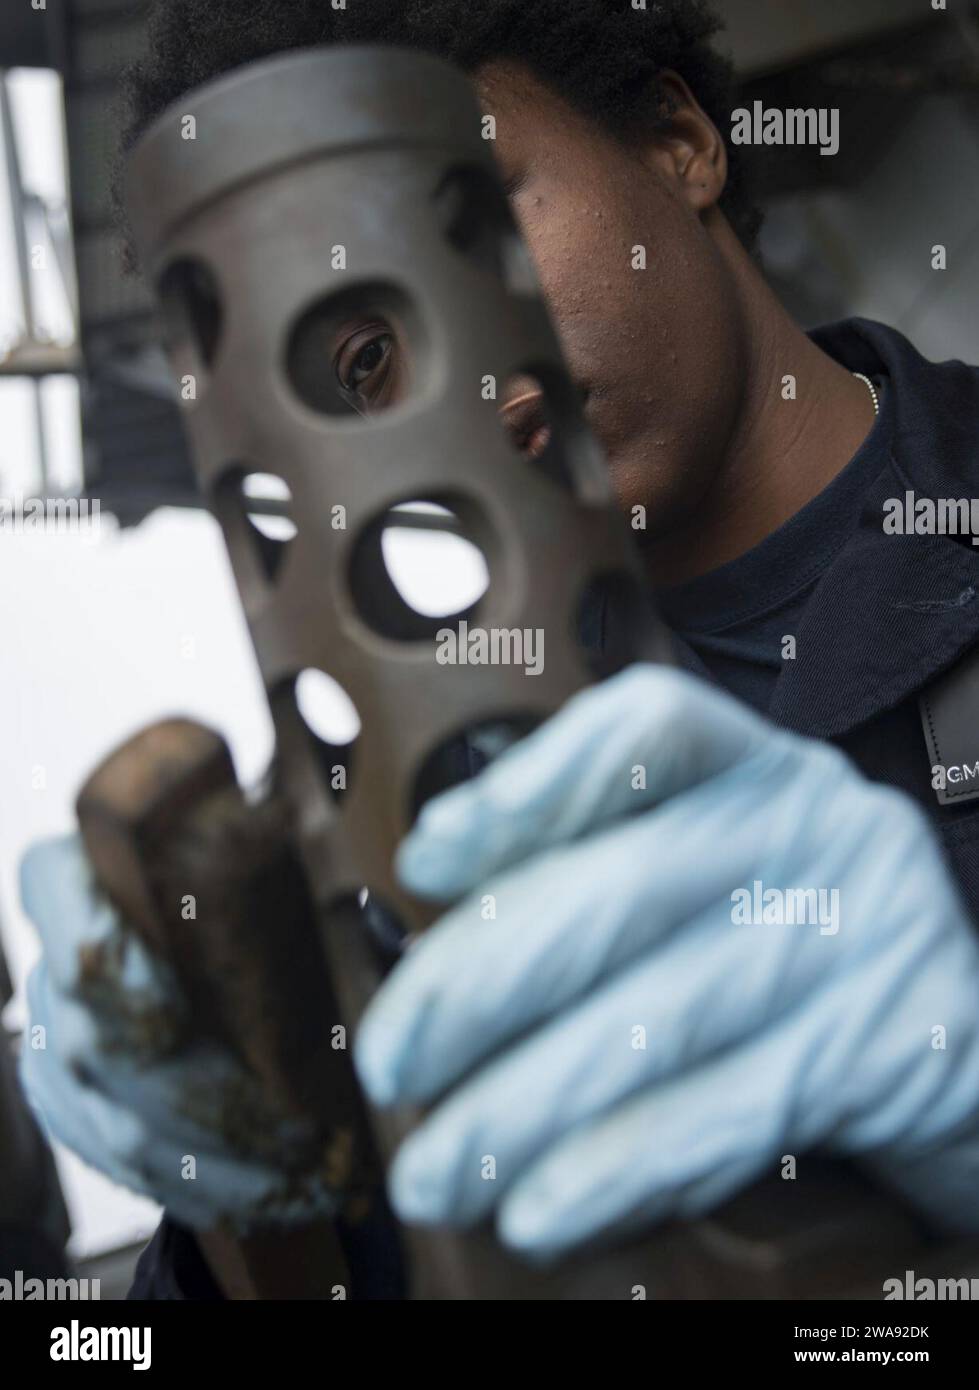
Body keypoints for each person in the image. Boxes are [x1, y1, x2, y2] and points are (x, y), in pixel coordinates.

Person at [19, 0, 979, 1298]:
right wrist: (262, 1190)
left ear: (679, 143)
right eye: (365, 356)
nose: (458, 382)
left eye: (470, 220)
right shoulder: (455, 814)